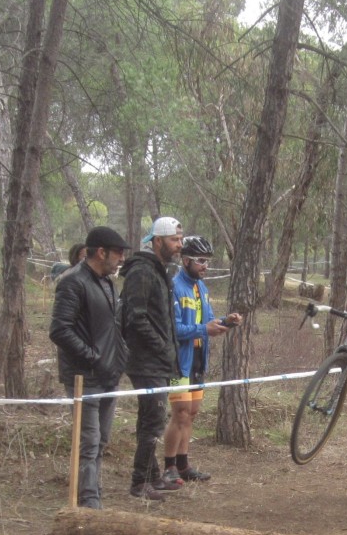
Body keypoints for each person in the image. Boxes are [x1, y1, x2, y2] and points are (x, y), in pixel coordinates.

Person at [49, 226, 129, 508]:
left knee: (102, 440)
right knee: (89, 441)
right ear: (101, 252)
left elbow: (113, 326)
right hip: (85, 377)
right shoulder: (73, 282)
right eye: (118, 253)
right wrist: (93, 357)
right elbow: (60, 330)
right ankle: (88, 501)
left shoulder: (108, 282)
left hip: (109, 375)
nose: (121, 259)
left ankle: (93, 490)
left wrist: (119, 357)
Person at [160, 235, 240, 486]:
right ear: (185, 260)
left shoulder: (201, 288)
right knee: (180, 413)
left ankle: (184, 465)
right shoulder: (174, 287)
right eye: (201, 261)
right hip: (179, 360)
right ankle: (169, 466)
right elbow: (174, 329)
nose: (206, 266)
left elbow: (209, 320)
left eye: (208, 262)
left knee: (192, 413)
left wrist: (227, 321)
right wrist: (204, 330)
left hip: (198, 358)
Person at [119, 216, 183, 501]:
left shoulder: (159, 271)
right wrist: (161, 347)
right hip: (145, 360)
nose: (179, 245)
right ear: (158, 241)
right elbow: (136, 318)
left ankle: (152, 476)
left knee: (153, 418)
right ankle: (138, 481)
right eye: (174, 240)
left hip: (158, 360)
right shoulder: (142, 272)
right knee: (153, 421)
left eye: (180, 240)